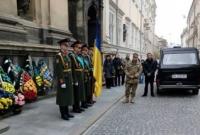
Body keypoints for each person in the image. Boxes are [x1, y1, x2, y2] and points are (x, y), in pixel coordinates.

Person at [55, 38, 74, 120]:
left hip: (68, 79)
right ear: (61, 46)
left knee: (67, 96)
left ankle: (67, 112)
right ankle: (63, 114)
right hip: (63, 79)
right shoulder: (58, 56)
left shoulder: (66, 55)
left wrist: (72, 79)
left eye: (67, 46)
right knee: (63, 97)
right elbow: (59, 70)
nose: (66, 47)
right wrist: (62, 82)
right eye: (65, 45)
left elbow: (70, 68)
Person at [69, 41, 85, 113]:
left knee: (79, 93)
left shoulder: (78, 56)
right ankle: (75, 108)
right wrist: (74, 80)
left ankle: (78, 106)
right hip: (76, 77)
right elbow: (72, 69)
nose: (80, 49)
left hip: (80, 76)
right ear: (74, 48)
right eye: (78, 48)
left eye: (80, 48)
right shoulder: (72, 56)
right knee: (76, 93)